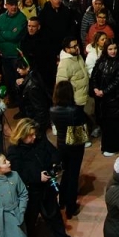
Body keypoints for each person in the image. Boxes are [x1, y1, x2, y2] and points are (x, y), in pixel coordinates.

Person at [6, 117, 80, 237]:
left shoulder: (40, 141)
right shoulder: (14, 151)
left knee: (55, 217)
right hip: (29, 192)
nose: (34, 137)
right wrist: (36, 176)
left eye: (34, 134)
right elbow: (17, 173)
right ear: (22, 134)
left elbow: (54, 153)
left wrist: (54, 164)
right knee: (30, 221)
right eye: (31, 135)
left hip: (46, 189)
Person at [50, 79, 89, 218]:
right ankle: (71, 208)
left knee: (65, 172)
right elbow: (84, 122)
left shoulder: (52, 110)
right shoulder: (75, 110)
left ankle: (62, 201)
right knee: (73, 175)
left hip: (61, 145)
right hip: (74, 144)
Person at [91, 39, 119, 156]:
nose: (113, 51)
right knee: (105, 124)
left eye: (115, 48)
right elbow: (94, 75)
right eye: (110, 49)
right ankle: (106, 145)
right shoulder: (101, 60)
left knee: (114, 125)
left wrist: (104, 91)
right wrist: (95, 88)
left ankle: (114, 147)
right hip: (102, 99)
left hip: (115, 99)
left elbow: (118, 81)